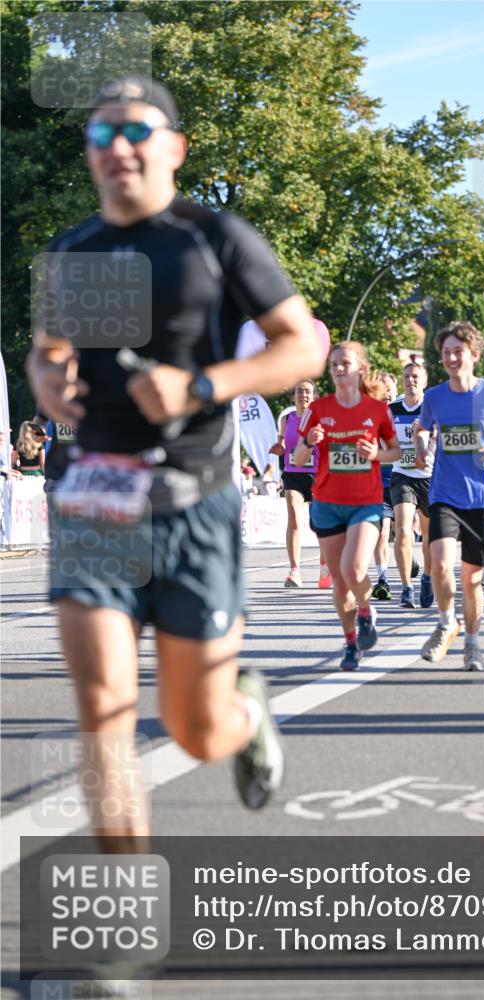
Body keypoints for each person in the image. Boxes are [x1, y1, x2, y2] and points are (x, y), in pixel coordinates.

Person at [26, 76, 324, 856]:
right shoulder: (74, 251)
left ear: (173, 148)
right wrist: (48, 380)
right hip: (96, 497)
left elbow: (303, 346)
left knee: (197, 731)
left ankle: (245, 712)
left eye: (136, 132)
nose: (118, 148)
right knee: (104, 703)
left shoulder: (212, 239)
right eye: (100, 135)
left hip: (196, 500)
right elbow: (48, 352)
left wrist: (201, 385)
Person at [414, 321, 484, 670]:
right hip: (445, 493)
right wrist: (419, 445)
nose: (451, 358)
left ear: (474, 355)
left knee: (472, 578)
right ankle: (447, 623)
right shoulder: (434, 397)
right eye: (445, 352)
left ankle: (473, 643)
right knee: (442, 565)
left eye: (457, 352)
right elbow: (422, 428)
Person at [294, 341, 400, 671]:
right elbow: (298, 458)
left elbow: (395, 452)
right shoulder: (318, 409)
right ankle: (351, 643)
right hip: (327, 502)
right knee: (340, 583)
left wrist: (376, 455)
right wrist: (310, 442)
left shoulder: (377, 410)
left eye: (345, 363)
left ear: (360, 370)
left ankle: (367, 609)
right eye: (334, 364)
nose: (339, 369)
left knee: (353, 570)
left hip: (365, 502)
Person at [269, 378, 331, 588]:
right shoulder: (286, 419)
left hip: (318, 476)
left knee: (320, 524)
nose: (303, 395)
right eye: (299, 391)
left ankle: (324, 567)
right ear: (293, 396)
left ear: (314, 397)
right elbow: (284, 442)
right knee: (294, 519)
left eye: (307, 392)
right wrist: (280, 446)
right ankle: (295, 570)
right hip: (293, 473)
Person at [389, 361, 434, 609]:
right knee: (404, 530)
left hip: (429, 476)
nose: (410, 380)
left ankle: (427, 577)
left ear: (424, 381)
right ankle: (407, 587)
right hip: (402, 474)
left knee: (429, 535)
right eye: (406, 376)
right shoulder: (392, 408)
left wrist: (429, 431)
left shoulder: (432, 407)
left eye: (416, 376)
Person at [372, 372, 398, 600]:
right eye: (382, 389)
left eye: (389, 388)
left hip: (409, 478)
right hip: (379, 479)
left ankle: (409, 558)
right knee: (382, 532)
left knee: (406, 533)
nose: (386, 393)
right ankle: (383, 579)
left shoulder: (407, 412)